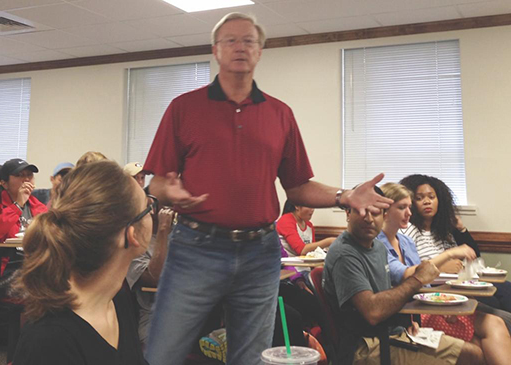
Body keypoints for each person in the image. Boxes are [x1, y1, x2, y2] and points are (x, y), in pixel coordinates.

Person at [142, 12, 392, 365]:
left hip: (259, 251)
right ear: (215, 50)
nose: (240, 47)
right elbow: (157, 183)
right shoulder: (184, 108)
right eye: (230, 40)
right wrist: (170, 192)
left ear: (260, 52)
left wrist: (344, 196)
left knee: (252, 357)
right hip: (195, 247)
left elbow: (298, 186)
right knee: (162, 351)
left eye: (249, 40)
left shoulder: (280, 114)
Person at [323, 186, 485, 365]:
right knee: (469, 357)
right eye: (362, 211)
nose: (369, 219)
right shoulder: (345, 253)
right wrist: (417, 279)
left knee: (474, 352)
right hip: (364, 346)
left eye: (376, 212)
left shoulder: (377, 248)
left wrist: (405, 321)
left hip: (390, 332)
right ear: (348, 213)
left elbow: (387, 295)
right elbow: (373, 312)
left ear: (383, 215)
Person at [13, 160, 151, 365]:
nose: (153, 214)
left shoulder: (116, 296)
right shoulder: (50, 342)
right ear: (132, 235)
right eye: (149, 207)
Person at [378, 183, 511, 364]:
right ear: (385, 211)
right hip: (408, 316)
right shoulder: (377, 244)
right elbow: (409, 274)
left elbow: (423, 284)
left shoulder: (405, 241)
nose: (409, 213)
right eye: (402, 208)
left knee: (494, 322)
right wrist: (449, 254)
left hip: (425, 305)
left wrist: (445, 305)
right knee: (479, 346)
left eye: (409, 207)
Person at [400, 174, 511, 312]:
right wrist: (441, 267)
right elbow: (409, 272)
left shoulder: (442, 230)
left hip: (460, 282)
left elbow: (474, 256)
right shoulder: (409, 231)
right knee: (496, 305)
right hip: (437, 290)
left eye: (431, 197)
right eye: (419, 198)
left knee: (507, 290)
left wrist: (461, 229)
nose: (427, 202)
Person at [0, 158, 47, 304]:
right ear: (4, 183)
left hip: (33, 264)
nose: (26, 179)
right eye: (20, 175)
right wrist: (18, 205)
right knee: (37, 292)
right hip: (3, 268)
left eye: (29, 175)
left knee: (65, 285)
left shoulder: (37, 205)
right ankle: (25, 327)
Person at [126, 207, 174, 346]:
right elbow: (156, 277)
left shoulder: (182, 234)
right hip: (156, 313)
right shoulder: (136, 243)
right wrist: (163, 230)